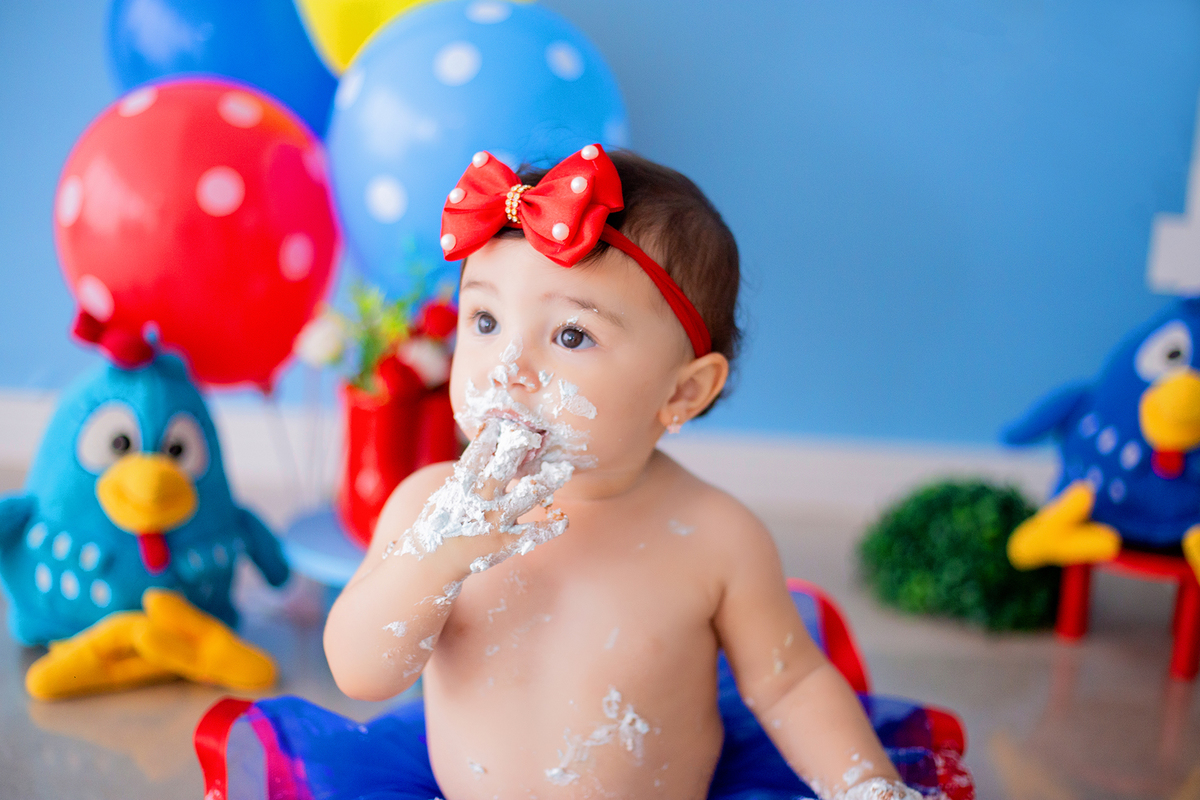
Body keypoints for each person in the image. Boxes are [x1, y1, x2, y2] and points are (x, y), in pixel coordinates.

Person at [319, 144, 927, 800]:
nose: (509, 365)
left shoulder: (715, 535)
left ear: (683, 394)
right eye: (486, 320)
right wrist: (431, 564)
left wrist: (867, 786)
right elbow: (361, 673)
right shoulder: (427, 507)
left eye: (572, 336)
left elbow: (791, 683)